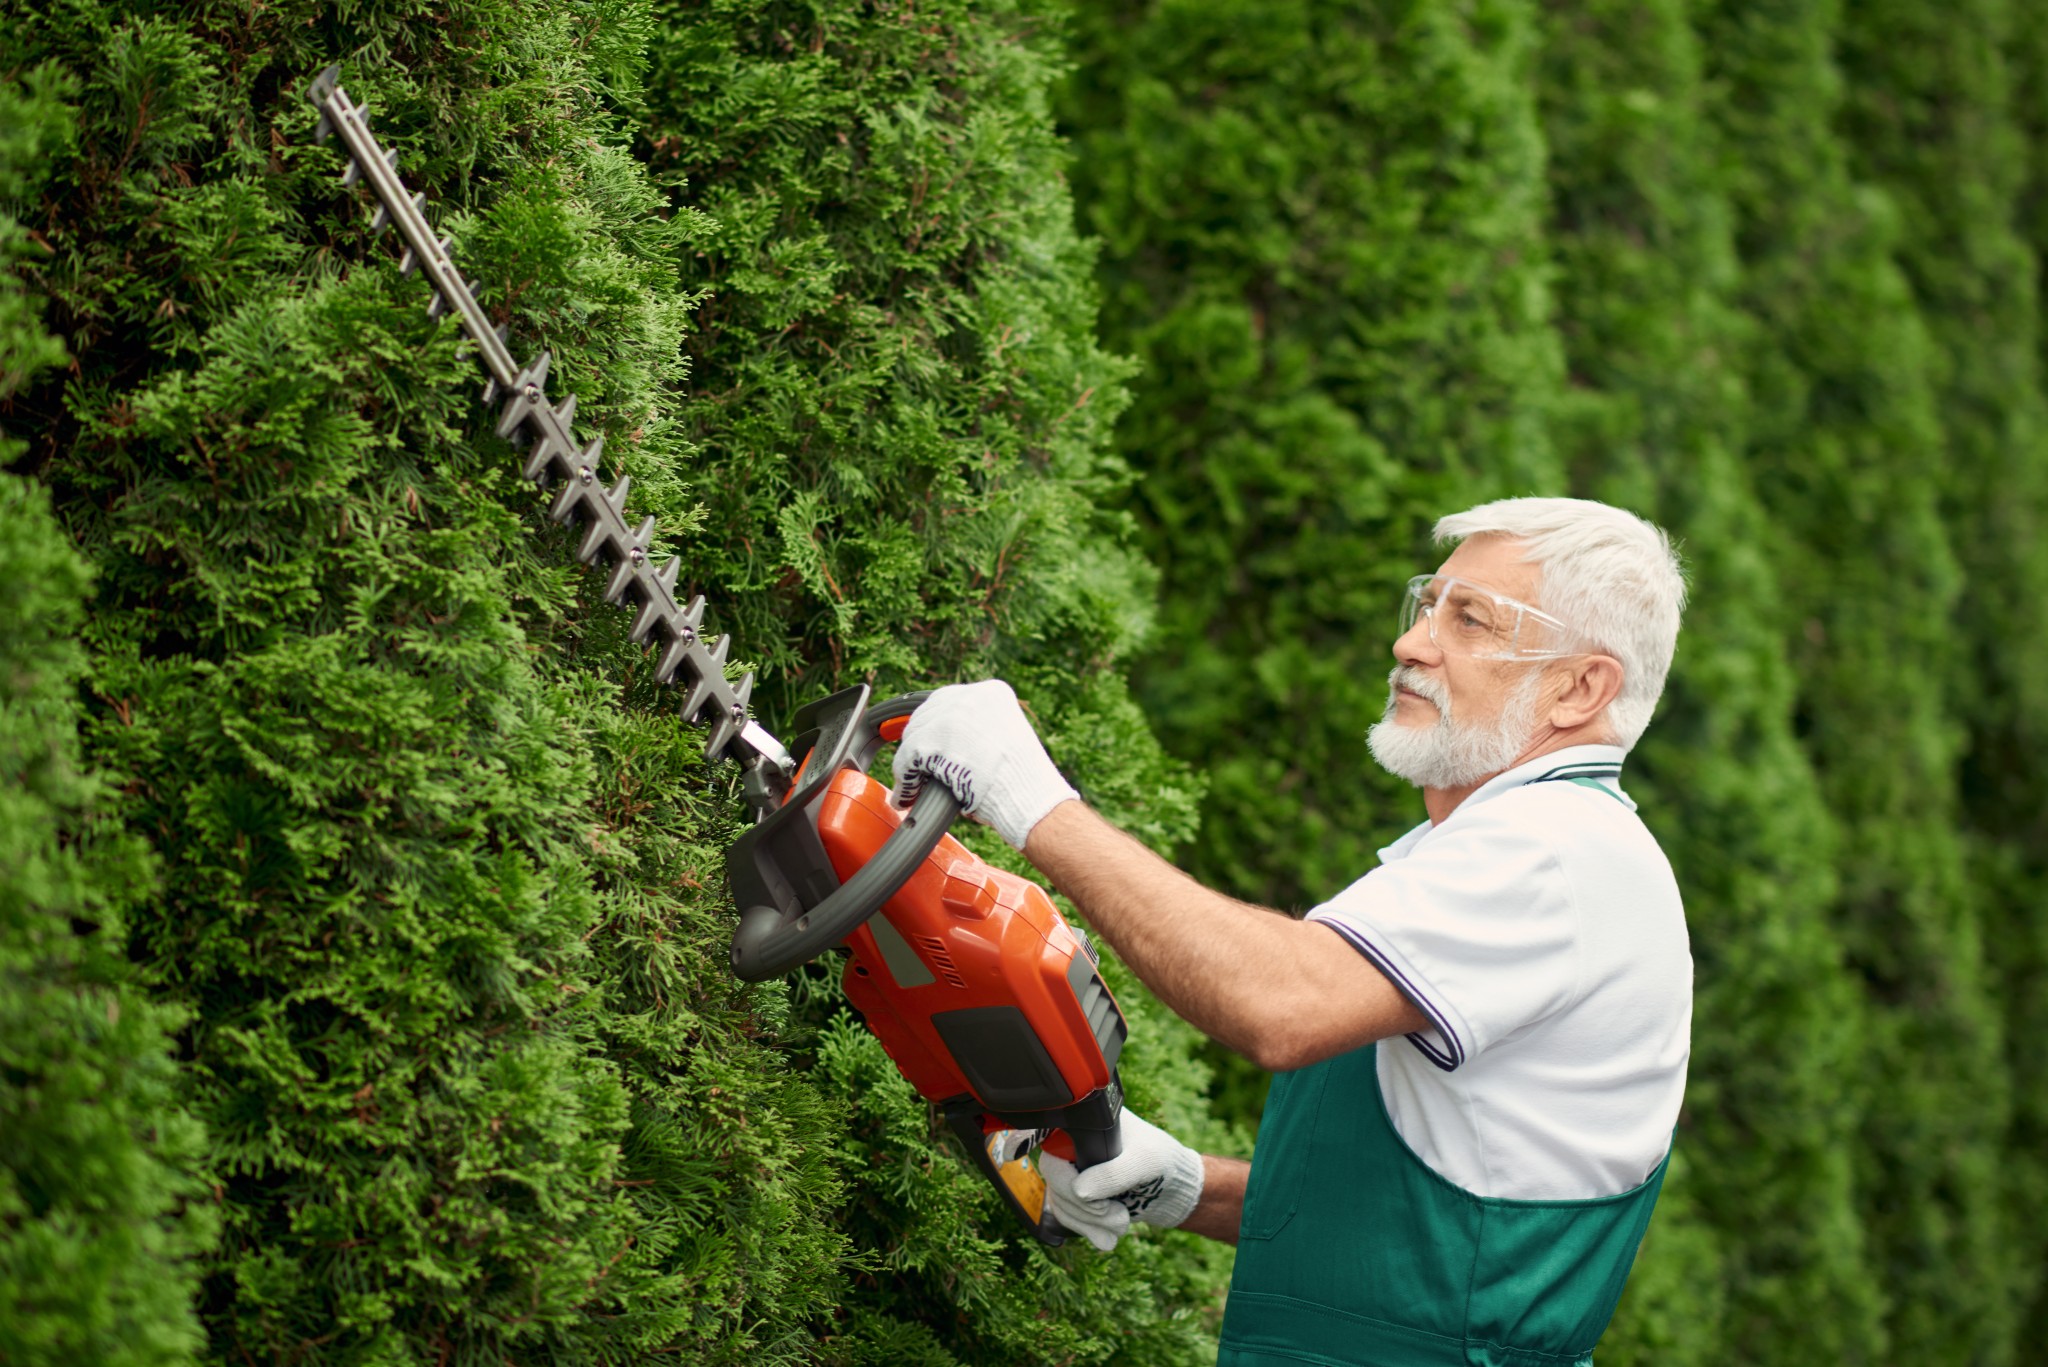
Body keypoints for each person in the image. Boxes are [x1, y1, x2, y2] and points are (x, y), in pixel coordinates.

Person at [890, 497, 1692, 1367]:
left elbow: (1278, 1002)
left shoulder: (1554, 852)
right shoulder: (1542, 849)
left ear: (1580, 688)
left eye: (1470, 619)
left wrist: (1023, 791)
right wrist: (1195, 1189)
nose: (1413, 643)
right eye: (1428, 604)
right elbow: (1439, 1234)